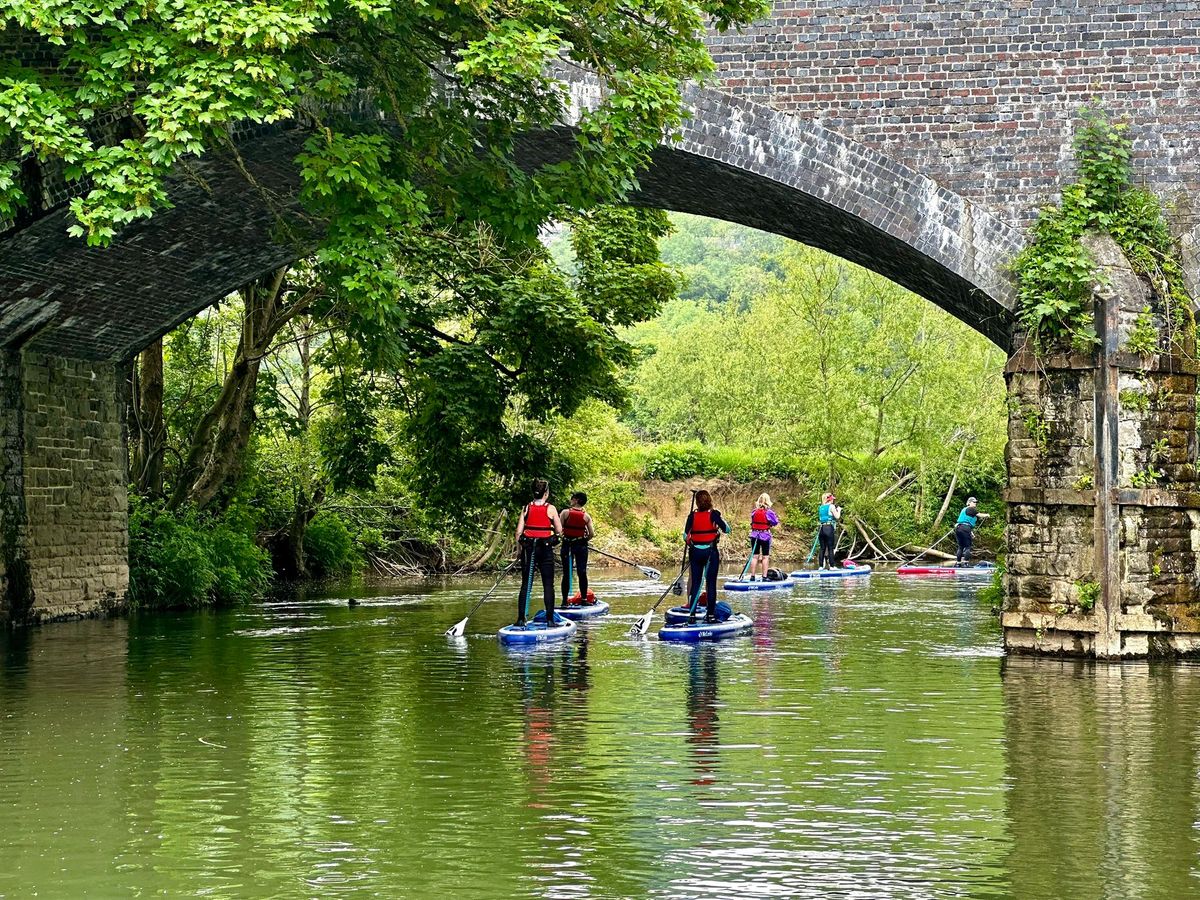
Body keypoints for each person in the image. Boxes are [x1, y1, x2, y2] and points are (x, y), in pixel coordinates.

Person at [513, 478, 562, 626]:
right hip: (545, 550)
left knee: (525, 585)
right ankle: (550, 620)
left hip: (529, 549)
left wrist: (519, 551)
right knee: (548, 584)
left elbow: (518, 533)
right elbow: (559, 531)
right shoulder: (551, 508)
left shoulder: (526, 508)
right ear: (546, 493)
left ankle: (521, 619)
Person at [683, 490, 731, 624]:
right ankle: (710, 616)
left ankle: (692, 615)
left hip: (695, 553)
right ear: (709, 501)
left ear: (697, 502)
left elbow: (684, 536)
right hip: (710, 553)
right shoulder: (714, 514)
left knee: (696, 584)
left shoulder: (692, 516)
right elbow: (727, 529)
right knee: (710, 584)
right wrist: (719, 519)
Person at [560, 491, 595, 605]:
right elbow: (591, 533)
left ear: (576, 500)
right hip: (581, 546)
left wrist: (564, 538)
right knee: (582, 572)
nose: (570, 500)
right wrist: (584, 540)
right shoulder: (586, 516)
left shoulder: (565, 513)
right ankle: (584, 599)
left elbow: (559, 531)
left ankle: (565, 601)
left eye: (572, 498)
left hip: (567, 545)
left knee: (566, 573)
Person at [748, 492, 780, 580]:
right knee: (765, 556)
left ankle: (752, 576)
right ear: (768, 501)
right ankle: (764, 576)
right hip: (765, 535)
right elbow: (775, 522)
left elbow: (752, 521)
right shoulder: (769, 512)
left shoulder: (754, 512)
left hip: (754, 535)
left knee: (755, 556)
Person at [954, 496, 990, 566]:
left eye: (976, 502)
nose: (975, 504)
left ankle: (958, 563)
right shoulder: (971, 509)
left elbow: (965, 522)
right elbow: (980, 515)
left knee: (961, 547)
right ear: (969, 503)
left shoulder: (964, 510)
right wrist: (987, 515)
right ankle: (965, 564)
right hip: (965, 528)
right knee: (968, 547)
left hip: (958, 528)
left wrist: (971, 532)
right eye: (974, 502)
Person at [817, 492, 841, 570]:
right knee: (830, 548)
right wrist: (839, 510)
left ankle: (820, 566)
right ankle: (832, 566)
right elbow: (837, 517)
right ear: (830, 500)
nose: (833, 501)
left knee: (822, 548)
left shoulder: (821, 507)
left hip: (821, 529)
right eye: (832, 499)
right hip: (828, 528)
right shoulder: (831, 506)